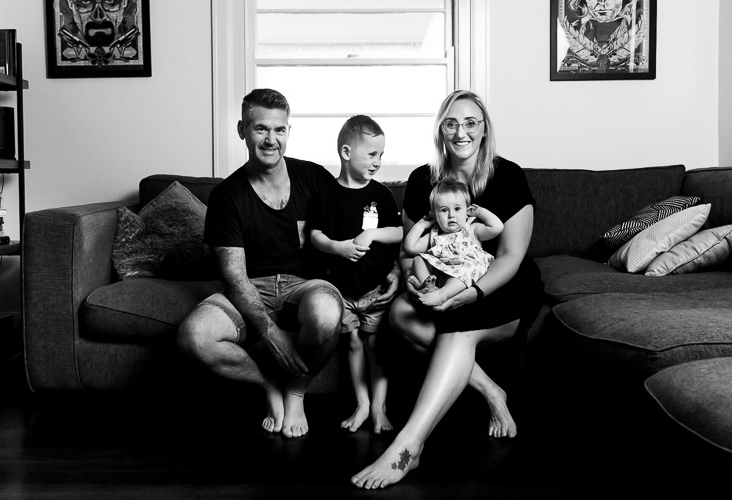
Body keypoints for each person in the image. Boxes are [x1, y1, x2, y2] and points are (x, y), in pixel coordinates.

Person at [351, 90, 544, 489]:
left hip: (498, 284)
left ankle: (408, 447)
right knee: (400, 313)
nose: (461, 132)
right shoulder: (423, 179)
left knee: (458, 327)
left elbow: (511, 256)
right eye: (451, 123)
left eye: (471, 122)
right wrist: (416, 281)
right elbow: (410, 252)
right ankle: (491, 390)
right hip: (441, 282)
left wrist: (470, 293)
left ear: (484, 128)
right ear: (441, 129)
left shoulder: (509, 176)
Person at [177, 88, 354, 439]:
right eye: (261, 129)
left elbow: (351, 228)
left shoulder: (314, 178)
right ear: (242, 130)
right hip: (249, 286)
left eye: (279, 130)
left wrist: (384, 272)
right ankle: (270, 385)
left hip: (305, 286)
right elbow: (234, 275)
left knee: (326, 315)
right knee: (194, 336)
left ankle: (296, 391)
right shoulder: (226, 196)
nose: (271, 139)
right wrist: (272, 335)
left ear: (288, 131)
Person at [308, 115, 402, 434]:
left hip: (375, 288)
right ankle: (362, 404)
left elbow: (399, 232)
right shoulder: (326, 194)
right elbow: (315, 235)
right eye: (372, 154)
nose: (378, 162)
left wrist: (372, 234)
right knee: (353, 344)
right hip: (342, 290)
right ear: (347, 153)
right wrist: (338, 247)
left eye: (381, 155)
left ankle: (379, 408)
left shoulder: (381, 195)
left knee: (377, 347)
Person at [404, 179, 504, 307]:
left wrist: (479, 212)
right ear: (434, 215)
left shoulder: (471, 229)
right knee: (418, 259)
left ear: (467, 211)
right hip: (441, 276)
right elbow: (410, 247)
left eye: (457, 208)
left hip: (465, 274)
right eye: (444, 210)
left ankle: (441, 295)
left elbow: (497, 227)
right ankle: (429, 288)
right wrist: (421, 225)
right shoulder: (434, 235)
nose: (451, 215)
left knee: (465, 270)